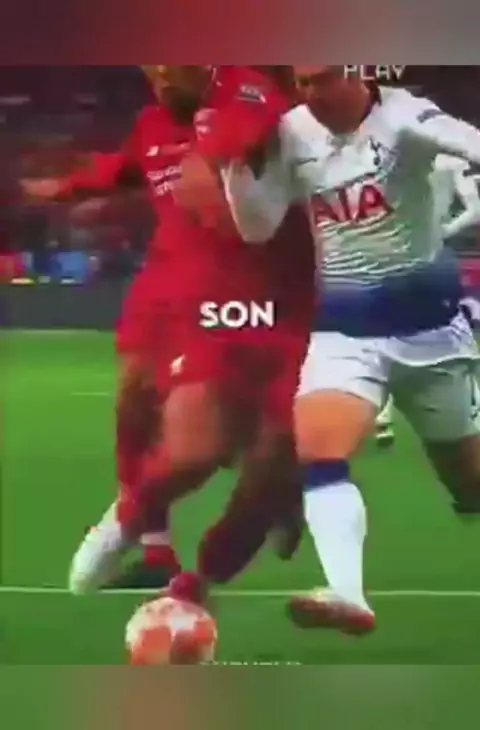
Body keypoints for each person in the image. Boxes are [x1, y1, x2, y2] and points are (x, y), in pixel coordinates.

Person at [23, 66, 310, 592]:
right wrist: (60, 188)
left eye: (168, 64)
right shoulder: (152, 123)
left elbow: (249, 128)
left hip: (263, 289)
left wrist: (211, 156)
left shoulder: (245, 90)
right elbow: (120, 170)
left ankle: (273, 501)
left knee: (253, 442)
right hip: (174, 285)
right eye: (148, 67)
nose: (158, 76)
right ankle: (149, 538)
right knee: (141, 400)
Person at [219, 65, 480, 636]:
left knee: (469, 485)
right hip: (346, 329)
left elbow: (469, 143)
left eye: (324, 79)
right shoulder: (292, 132)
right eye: (303, 83)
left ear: (356, 71)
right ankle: (347, 593)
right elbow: (259, 227)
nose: (312, 94)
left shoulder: (405, 116)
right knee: (320, 450)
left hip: (433, 333)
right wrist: (232, 166)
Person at [375, 153, 480, 448]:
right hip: (426, 258)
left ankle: (383, 413)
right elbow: (475, 209)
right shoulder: (448, 160)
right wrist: (443, 232)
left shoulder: (382, 158)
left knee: (388, 331)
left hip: (391, 258)